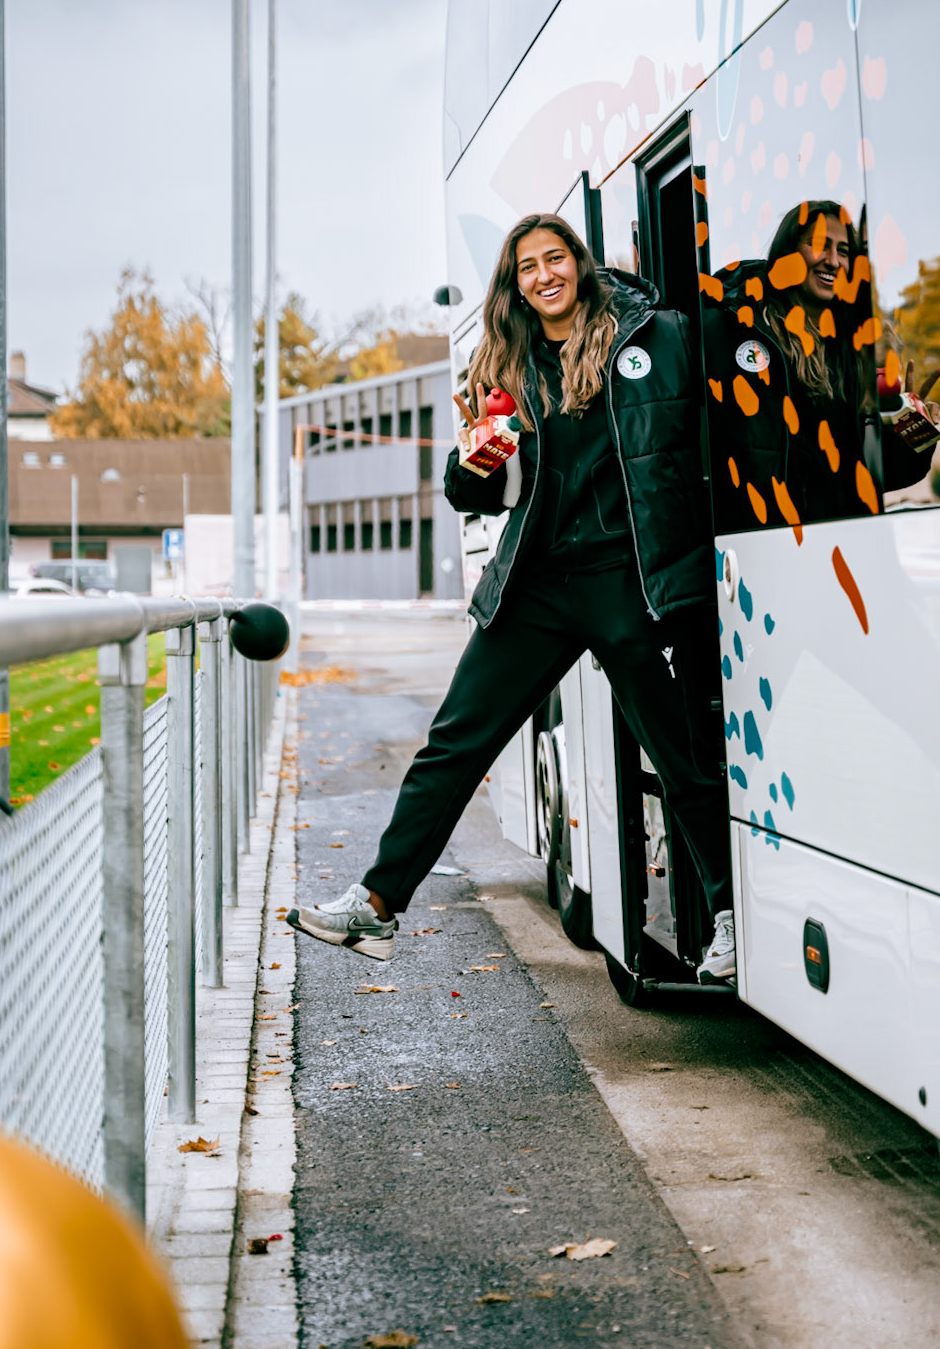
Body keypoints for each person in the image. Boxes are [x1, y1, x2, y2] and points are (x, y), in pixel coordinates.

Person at [287, 213, 739, 982]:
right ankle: (377, 905)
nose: (542, 275)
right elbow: (476, 496)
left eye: (554, 258)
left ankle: (727, 919)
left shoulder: (654, 337)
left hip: (625, 581)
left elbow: (714, 428)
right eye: (526, 266)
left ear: (579, 265)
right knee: (454, 743)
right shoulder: (510, 365)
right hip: (535, 584)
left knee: (678, 753)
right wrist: (476, 465)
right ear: (515, 284)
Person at [701, 198, 940, 533]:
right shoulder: (739, 331)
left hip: (845, 549)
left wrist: (915, 425)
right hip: (767, 550)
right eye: (819, 245)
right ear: (788, 252)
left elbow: (880, 476)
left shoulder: (853, 353)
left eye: (843, 251)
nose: (833, 261)